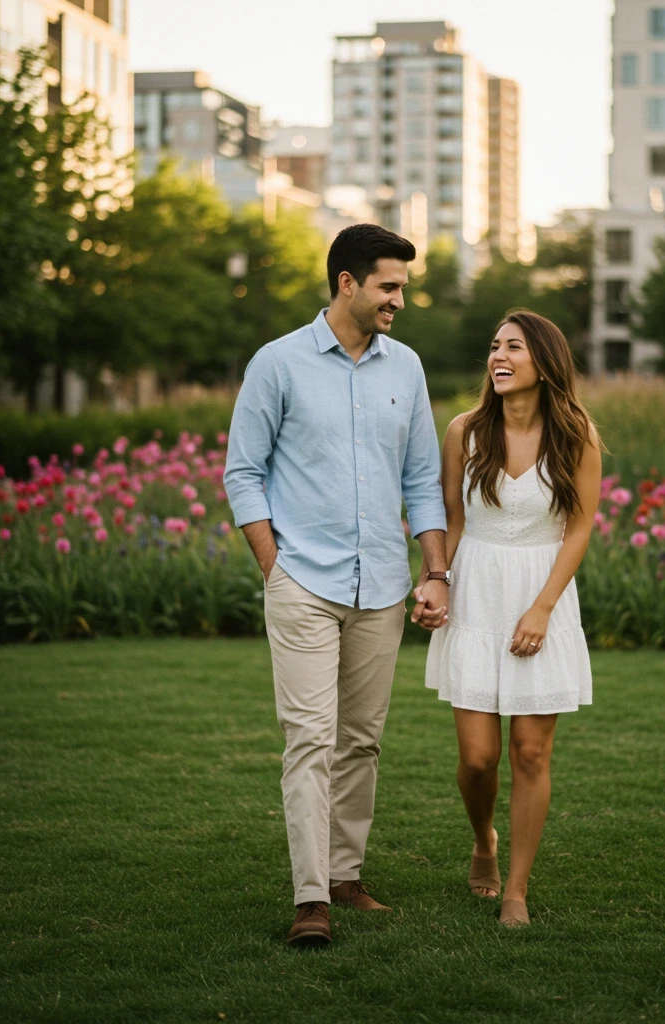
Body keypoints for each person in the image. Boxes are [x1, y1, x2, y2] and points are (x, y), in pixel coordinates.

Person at [223, 224, 449, 947]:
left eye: (403, 288)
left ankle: (347, 875)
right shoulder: (278, 363)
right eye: (389, 286)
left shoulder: (405, 368)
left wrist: (434, 569)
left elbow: (422, 478)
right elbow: (242, 472)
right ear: (346, 283)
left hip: (381, 583)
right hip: (303, 583)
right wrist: (273, 565)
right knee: (310, 737)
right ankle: (310, 897)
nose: (399, 301)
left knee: (361, 740)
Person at [422, 309, 603, 928]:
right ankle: (483, 841)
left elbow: (579, 527)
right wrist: (436, 580)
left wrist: (543, 607)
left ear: (544, 362)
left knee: (529, 752)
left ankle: (516, 891)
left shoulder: (576, 433)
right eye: (494, 347)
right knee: (478, 758)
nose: (498, 357)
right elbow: (451, 517)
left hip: (542, 592)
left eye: (514, 348)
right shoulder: (464, 431)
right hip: (476, 593)